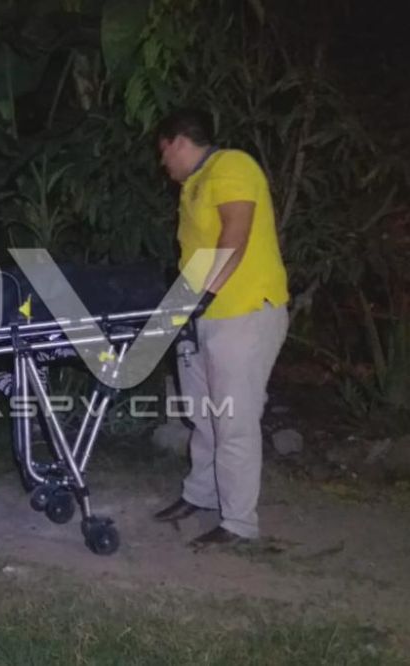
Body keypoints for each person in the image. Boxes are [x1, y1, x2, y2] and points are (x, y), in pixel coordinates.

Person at [152, 109, 289, 547]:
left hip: (243, 311)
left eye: (163, 152)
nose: (162, 163)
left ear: (178, 141)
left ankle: (239, 522)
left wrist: (205, 295)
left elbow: (236, 231)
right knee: (202, 415)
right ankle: (201, 494)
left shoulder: (232, 165)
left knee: (233, 419)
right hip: (204, 318)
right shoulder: (194, 184)